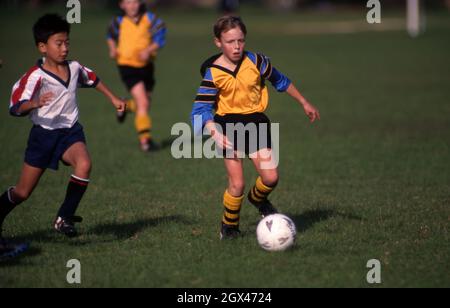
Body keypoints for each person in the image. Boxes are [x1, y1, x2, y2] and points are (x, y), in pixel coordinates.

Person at [191, 16, 320, 239]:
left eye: (240, 40)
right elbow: (199, 109)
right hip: (227, 127)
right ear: (218, 42)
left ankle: (258, 199)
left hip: (257, 123)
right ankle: (229, 228)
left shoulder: (257, 61)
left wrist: (304, 102)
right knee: (237, 184)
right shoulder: (213, 73)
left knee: (271, 178)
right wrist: (212, 130)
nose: (237, 46)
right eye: (230, 41)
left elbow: (281, 81)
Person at [0, 14, 126, 243]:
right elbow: (15, 106)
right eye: (58, 43)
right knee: (22, 192)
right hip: (43, 136)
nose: (64, 48)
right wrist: (34, 104)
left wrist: (114, 99)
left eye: (67, 42)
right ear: (42, 47)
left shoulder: (74, 67)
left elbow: (92, 78)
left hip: (70, 132)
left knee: (85, 164)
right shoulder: (34, 77)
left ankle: (64, 217)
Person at [107, 0, 167, 152]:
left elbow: (161, 35)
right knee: (143, 103)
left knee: (145, 102)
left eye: (134, 2)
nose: (132, 6)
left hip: (147, 66)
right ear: (121, 5)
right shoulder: (118, 21)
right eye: (128, 2)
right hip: (127, 66)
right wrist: (113, 49)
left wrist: (149, 50)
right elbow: (110, 36)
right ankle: (145, 142)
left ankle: (123, 105)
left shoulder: (150, 19)